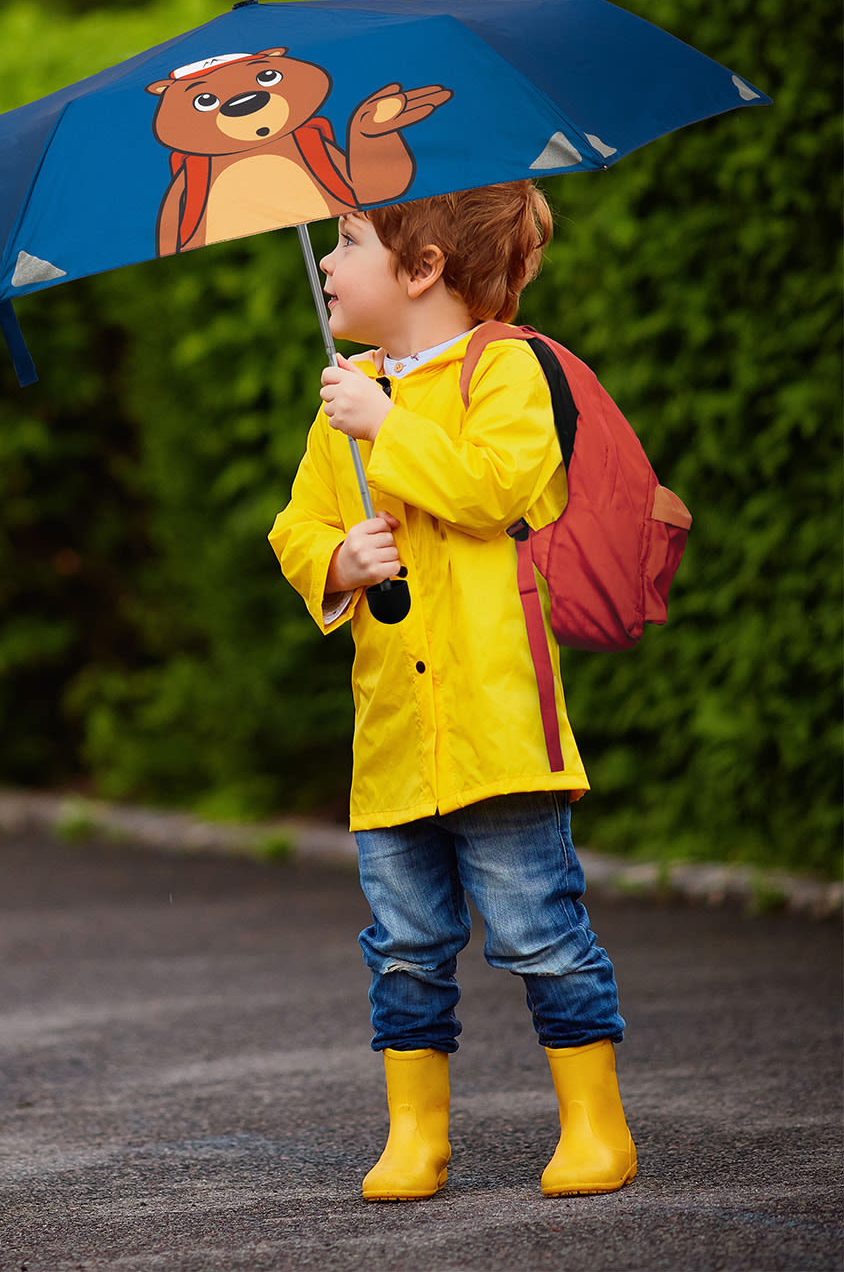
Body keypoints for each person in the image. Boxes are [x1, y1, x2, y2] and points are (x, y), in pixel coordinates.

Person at [268, 184, 638, 1203]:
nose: (329, 266)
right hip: (392, 743)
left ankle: (596, 1123)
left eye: (347, 243)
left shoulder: (502, 367)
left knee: (539, 931)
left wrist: (387, 426)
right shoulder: (347, 397)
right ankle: (413, 1135)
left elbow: (501, 487)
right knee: (405, 948)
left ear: (422, 269)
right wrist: (335, 559)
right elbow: (295, 525)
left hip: (497, 729)